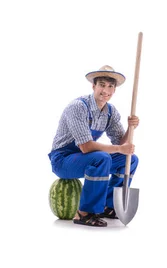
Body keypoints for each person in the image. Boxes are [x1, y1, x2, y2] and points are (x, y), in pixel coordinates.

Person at [48, 65, 139, 227]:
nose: (106, 90)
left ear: (114, 90)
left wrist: (130, 127)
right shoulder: (78, 107)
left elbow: (120, 143)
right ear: (93, 86)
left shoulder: (110, 112)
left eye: (110, 86)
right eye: (102, 85)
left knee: (130, 159)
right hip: (63, 160)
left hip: (87, 158)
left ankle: (108, 206)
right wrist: (119, 149)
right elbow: (86, 147)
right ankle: (84, 213)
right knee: (101, 157)